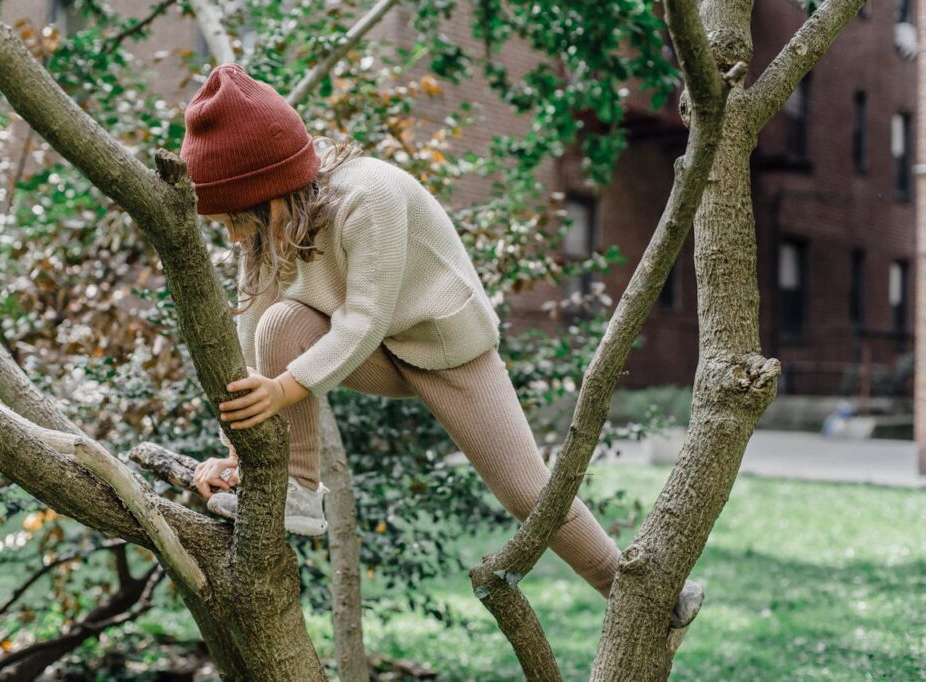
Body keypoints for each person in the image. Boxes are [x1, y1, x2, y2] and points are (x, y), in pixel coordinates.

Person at [179, 63, 703, 625]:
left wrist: (285, 388)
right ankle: (299, 491)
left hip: (448, 351)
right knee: (278, 324)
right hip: (370, 356)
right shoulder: (265, 226)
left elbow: (365, 318)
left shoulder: (368, 194)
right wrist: (237, 456)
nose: (232, 234)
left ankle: (649, 598)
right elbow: (250, 341)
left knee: (527, 492)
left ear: (268, 189)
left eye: (236, 217)